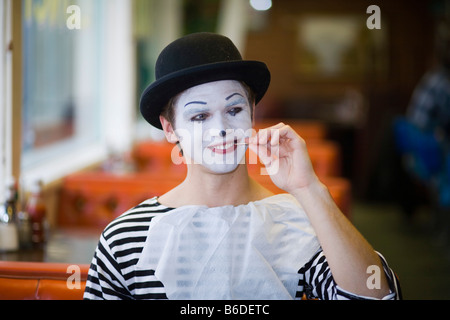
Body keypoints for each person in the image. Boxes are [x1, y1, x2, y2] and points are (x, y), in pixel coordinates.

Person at [84, 32, 400, 300]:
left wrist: (309, 190)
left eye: (234, 109)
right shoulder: (124, 237)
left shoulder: (298, 225)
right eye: (199, 116)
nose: (221, 129)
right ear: (170, 129)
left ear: (252, 112)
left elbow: (378, 297)